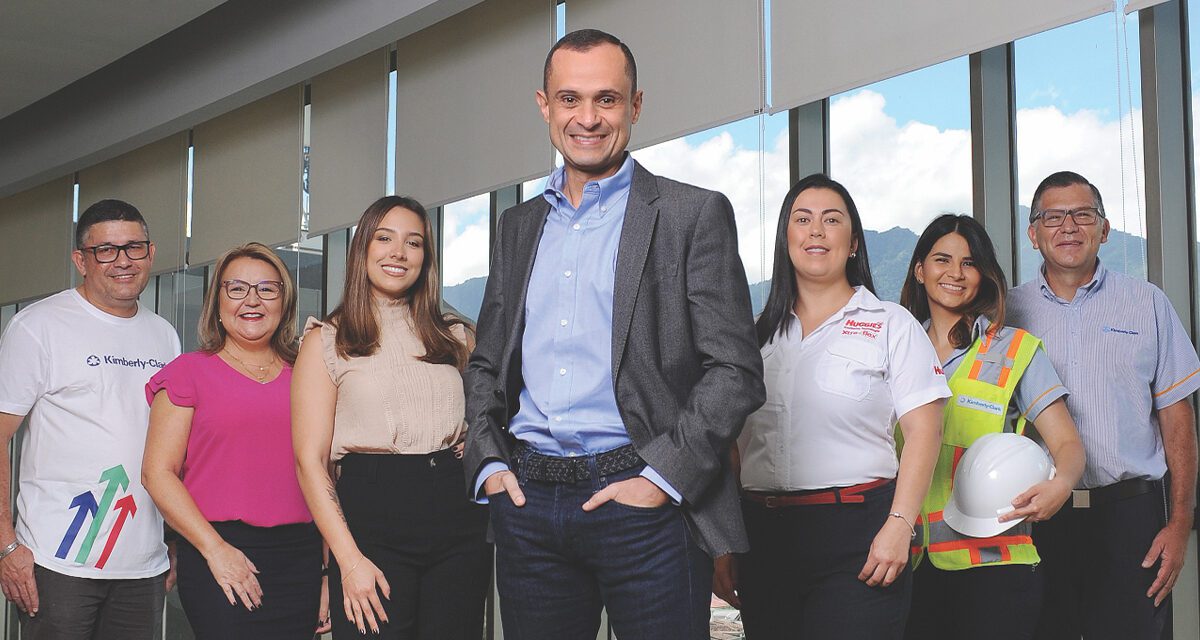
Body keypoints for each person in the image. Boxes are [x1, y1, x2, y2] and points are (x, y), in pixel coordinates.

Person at [463, 29, 764, 640]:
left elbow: (735, 370)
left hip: (647, 503)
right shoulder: (517, 226)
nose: (588, 118)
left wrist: (662, 479)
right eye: (569, 99)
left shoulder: (691, 214)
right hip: (528, 503)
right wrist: (491, 463)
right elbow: (487, 364)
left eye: (607, 98)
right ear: (544, 106)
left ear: (636, 105)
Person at [720, 174, 949, 639]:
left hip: (860, 535)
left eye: (831, 220)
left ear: (853, 243)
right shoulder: (752, 336)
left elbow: (926, 432)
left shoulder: (891, 324)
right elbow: (731, 450)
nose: (816, 231)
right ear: (786, 238)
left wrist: (899, 525)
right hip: (763, 537)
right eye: (802, 220)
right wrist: (724, 547)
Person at [1007, 171, 1200, 640]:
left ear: (1105, 229)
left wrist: (1180, 524)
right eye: (1053, 217)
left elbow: (1178, 419)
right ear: (1033, 234)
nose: (1068, 227)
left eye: (1083, 214)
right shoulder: (1008, 312)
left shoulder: (1147, 303)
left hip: (1130, 518)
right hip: (1037, 519)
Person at [293, 196, 491, 639]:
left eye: (413, 242)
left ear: (426, 257)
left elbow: (493, 414)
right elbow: (310, 462)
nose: (398, 252)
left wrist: (475, 440)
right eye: (384, 238)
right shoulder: (326, 340)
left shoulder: (456, 335)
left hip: (458, 518)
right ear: (363, 248)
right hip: (371, 520)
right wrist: (348, 561)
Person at [898, 214, 1085, 640]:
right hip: (909, 563)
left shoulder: (1013, 348)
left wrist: (1061, 485)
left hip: (995, 569)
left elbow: (1068, 444)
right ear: (920, 270)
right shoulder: (896, 348)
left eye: (969, 263)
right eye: (942, 260)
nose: (955, 273)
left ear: (983, 275)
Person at [0, 199, 180, 639]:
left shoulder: (164, 335)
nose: (123, 261)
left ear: (151, 253)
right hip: (58, 561)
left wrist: (175, 538)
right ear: (81, 261)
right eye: (105, 250)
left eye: (134, 247)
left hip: (143, 565)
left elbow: (174, 444)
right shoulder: (38, 326)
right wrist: (5, 545)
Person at [142, 242, 323, 639]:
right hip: (218, 551)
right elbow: (157, 474)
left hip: (302, 558)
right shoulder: (187, 372)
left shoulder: (310, 374)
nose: (251, 300)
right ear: (218, 302)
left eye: (267, 289)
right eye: (237, 288)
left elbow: (327, 474)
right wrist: (215, 550)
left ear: (284, 302)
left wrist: (328, 571)